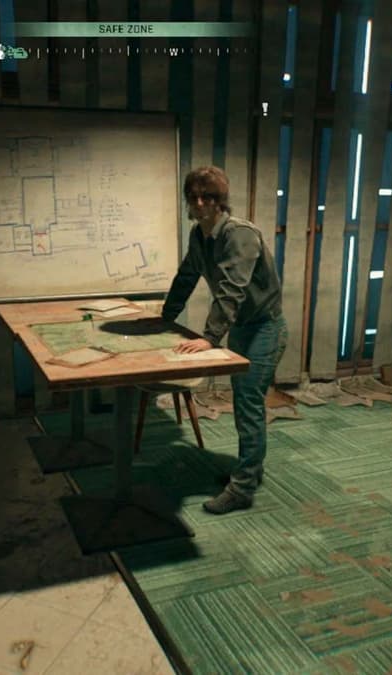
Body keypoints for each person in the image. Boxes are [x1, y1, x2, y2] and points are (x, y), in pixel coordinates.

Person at [161, 166, 288, 515]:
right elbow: (186, 277)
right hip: (243, 327)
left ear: (220, 201)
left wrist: (210, 337)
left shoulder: (239, 234)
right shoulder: (199, 236)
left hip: (265, 328)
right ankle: (249, 472)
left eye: (208, 197)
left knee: (248, 405)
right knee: (244, 404)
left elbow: (233, 289)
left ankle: (243, 488)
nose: (199, 203)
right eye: (194, 197)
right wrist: (164, 318)